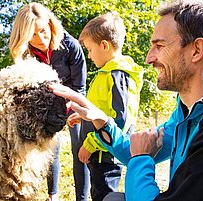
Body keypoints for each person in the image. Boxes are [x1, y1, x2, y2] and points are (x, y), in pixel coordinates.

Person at [50, 1, 203, 201]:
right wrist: (101, 119)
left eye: (159, 46)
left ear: (196, 50)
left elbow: (139, 156)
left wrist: (142, 159)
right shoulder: (188, 111)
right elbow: (133, 151)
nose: (149, 58)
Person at [9, 3, 90, 201]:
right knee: (50, 148)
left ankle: (82, 198)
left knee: (79, 147)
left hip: (72, 101)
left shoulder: (71, 45)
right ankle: (53, 195)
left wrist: (71, 108)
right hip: (45, 106)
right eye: (33, 35)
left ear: (50, 24)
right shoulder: (26, 53)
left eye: (43, 31)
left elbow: (80, 87)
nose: (41, 39)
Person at [68, 11, 143, 201]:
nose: (90, 56)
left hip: (106, 156)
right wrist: (83, 117)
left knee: (105, 197)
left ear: (104, 45)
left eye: (90, 50)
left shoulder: (117, 75)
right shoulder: (106, 73)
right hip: (99, 155)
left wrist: (91, 144)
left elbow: (120, 121)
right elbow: (100, 110)